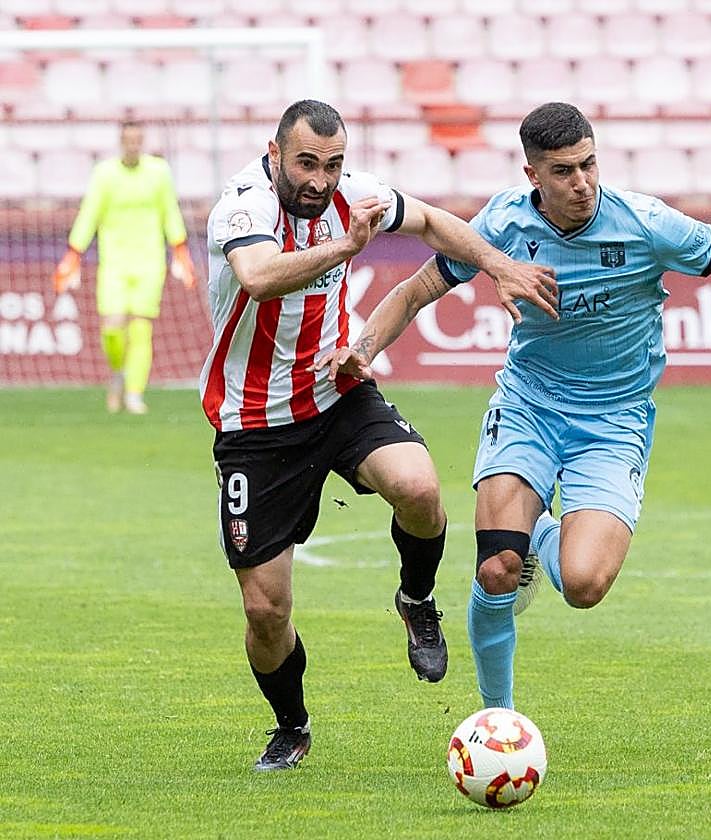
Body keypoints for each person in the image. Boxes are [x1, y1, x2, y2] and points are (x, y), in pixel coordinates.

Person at [315, 101, 711, 712]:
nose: (581, 184)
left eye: (589, 165)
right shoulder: (503, 225)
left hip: (615, 419)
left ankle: (537, 534)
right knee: (496, 569)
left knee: (584, 585)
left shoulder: (645, 223)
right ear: (533, 177)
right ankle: (498, 722)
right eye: (564, 172)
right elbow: (417, 290)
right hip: (529, 405)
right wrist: (362, 349)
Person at [202, 99, 557, 771]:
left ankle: (416, 600)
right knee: (266, 610)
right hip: (254, 426)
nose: (320, 180)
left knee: (420, 488)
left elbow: (430, 221)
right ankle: (292, 725)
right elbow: (257, 275)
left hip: (338, 389)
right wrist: (343, 247)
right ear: (274, 154)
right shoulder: (243, 206)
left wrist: (498, 264)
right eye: (306, 163)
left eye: (333, 165)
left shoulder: (355, 195)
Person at [52, 120, 197, 414]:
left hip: (149, 262)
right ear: (121, 141)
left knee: (142, 330)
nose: (132, 145)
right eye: (128, 140)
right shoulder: (105, 174)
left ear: (141, 142)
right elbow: (89, 213)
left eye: (137, 140)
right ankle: (118, 372)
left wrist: (180, 251)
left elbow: (169, 211)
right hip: (114, 264)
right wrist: (73, 255)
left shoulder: (158, 173)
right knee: (112, 330)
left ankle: (133, 393)